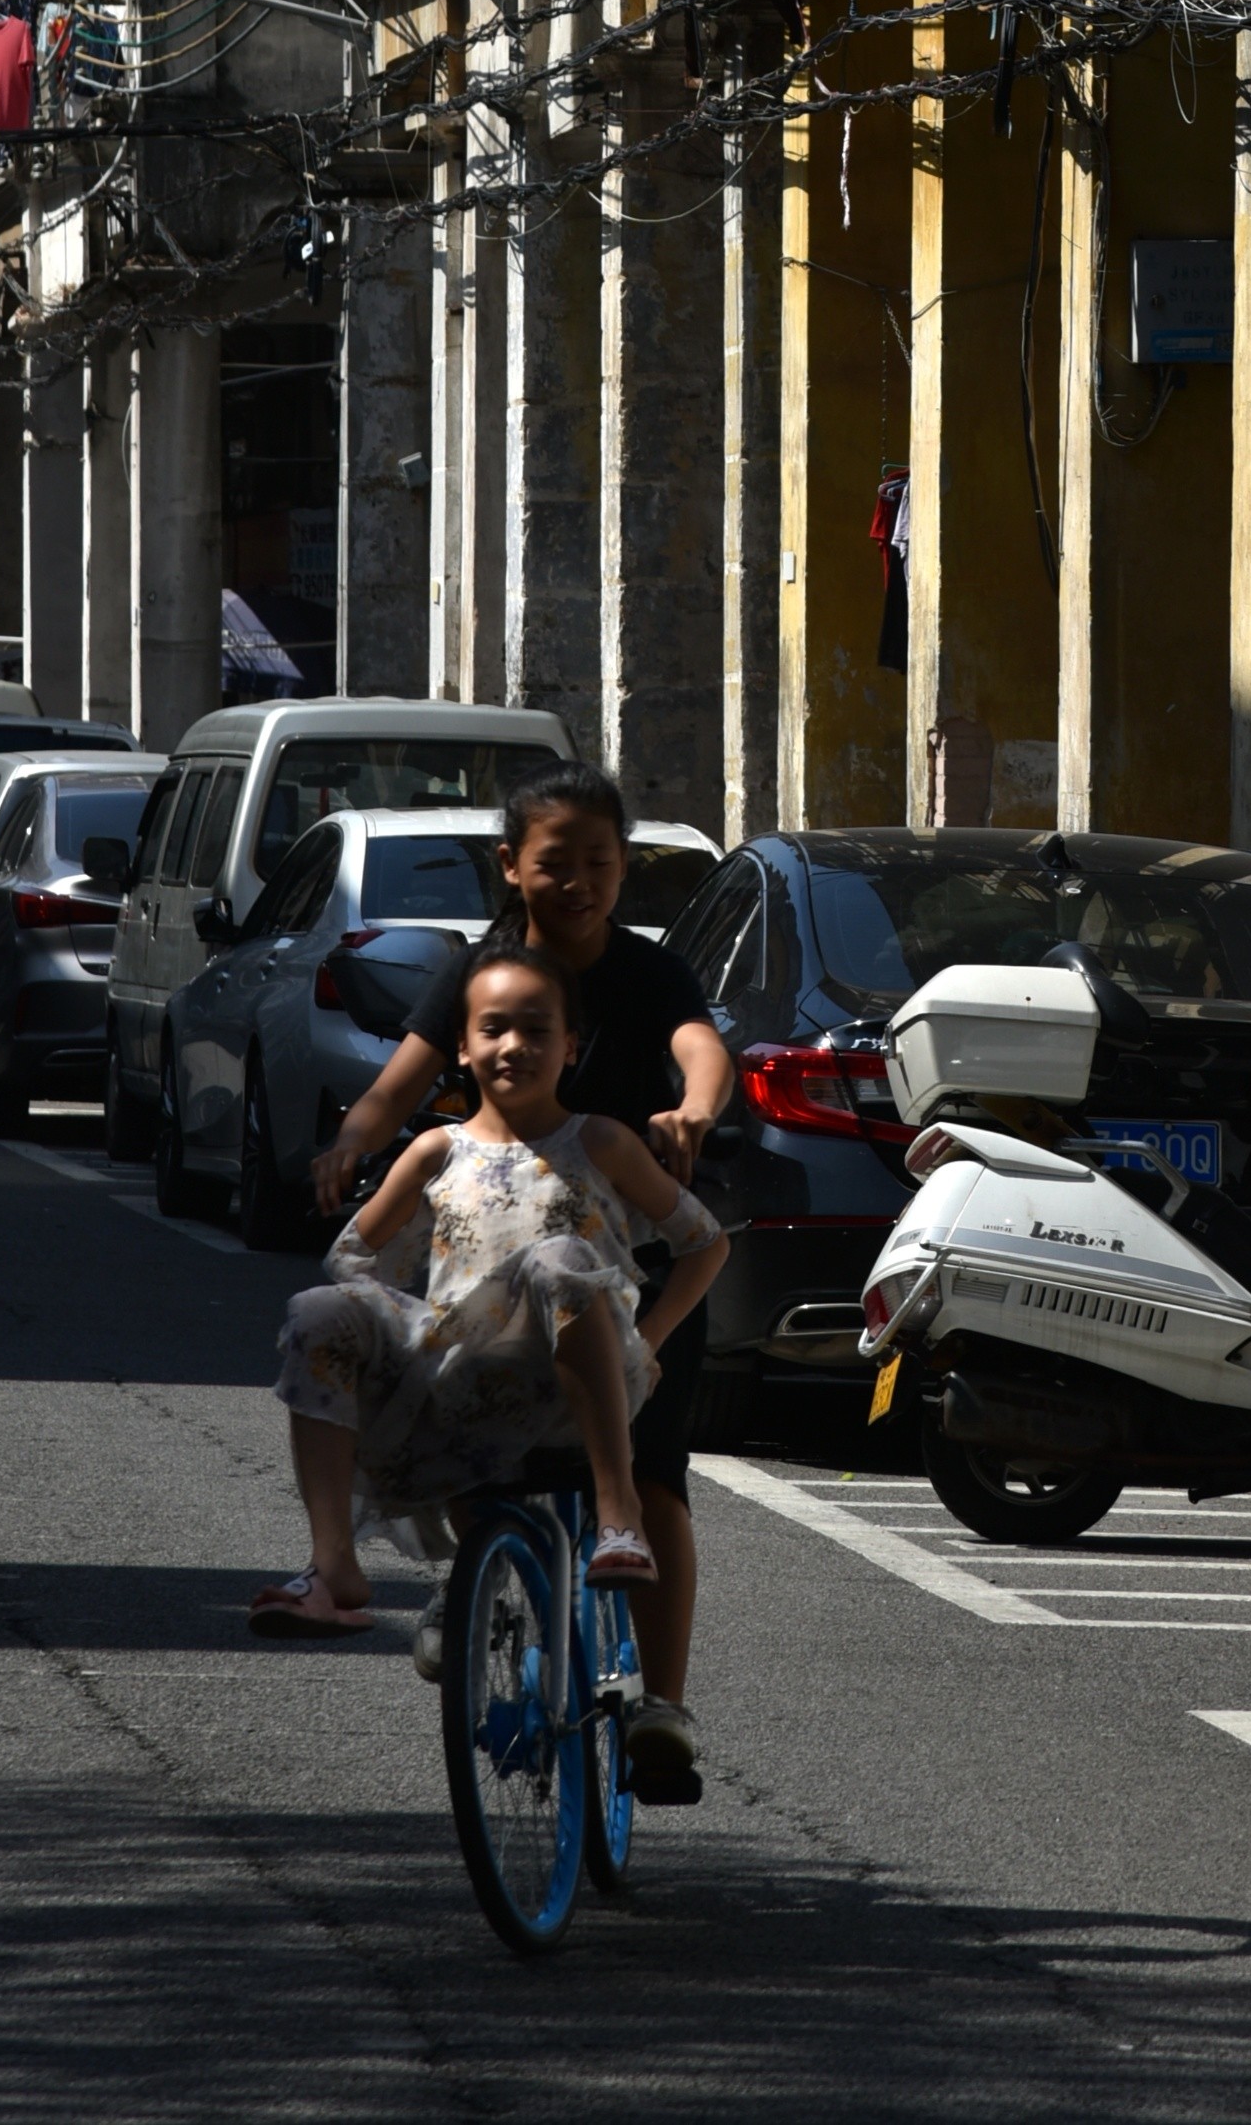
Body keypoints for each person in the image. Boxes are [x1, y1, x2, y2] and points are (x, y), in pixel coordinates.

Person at [310, 763, 733, 1794]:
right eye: (557, 862)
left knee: (658, 1479)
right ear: (513, 866)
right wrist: (351, 1142)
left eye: (601, 861)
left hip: (635, 1262)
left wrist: (693, 1111)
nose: (580, 880)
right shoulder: (479, 975)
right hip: (495, 1262)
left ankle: (660, 1710)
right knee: (450, 1404)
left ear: (624, 868)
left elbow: (702, 1047)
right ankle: (472, 1572)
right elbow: (396, 1081)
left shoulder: (648, 969)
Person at [255, 945, 725, 1638]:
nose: (515, 1046)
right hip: (461, 1384)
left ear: (570, 1047)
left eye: (537, 1031)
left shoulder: (600, 1141)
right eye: (494, 1029)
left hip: (576, 1385)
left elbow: (705, 1243)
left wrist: (647, 1339)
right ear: (463, 1050)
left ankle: (617, 1511)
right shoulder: (437, 1152)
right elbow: (355, 1257)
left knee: (559, 1259)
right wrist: (411, 1324)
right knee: (317, 1311)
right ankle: (333, 1567)